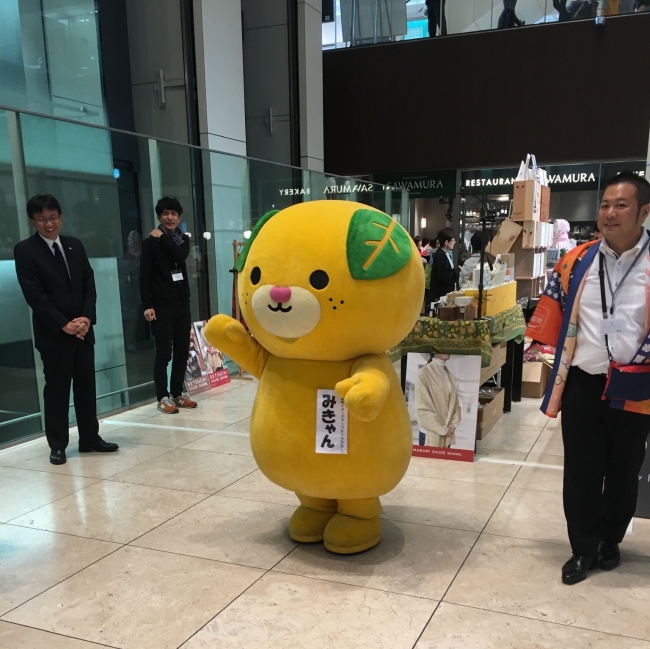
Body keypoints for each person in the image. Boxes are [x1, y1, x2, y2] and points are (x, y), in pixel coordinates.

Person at [526, 171, 650, 585]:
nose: (609, 213)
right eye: (605, 205)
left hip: (636, 385)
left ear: (644, 212)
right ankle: (582, 548)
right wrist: (540, 346)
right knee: (581, 469)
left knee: (624, 468)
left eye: (621, 205)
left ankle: (610, 541)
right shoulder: (577, 259)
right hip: (583, 380)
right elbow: (553, 308)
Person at [13, 194, 119, 465]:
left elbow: (88, 284)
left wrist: (85, 318)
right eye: (42, 219)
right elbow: (34, 295)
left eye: (53, 217)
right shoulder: (25, 250)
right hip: (54, 335)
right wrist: (64, 324)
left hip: (83, 332)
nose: (49, 223)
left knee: (86, 388)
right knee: (57, 391)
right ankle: (58, 445)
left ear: (61, 217)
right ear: (33, 221)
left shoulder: (74, 245)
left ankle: (90, 439)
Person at [140, 196, 198, 414]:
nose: (170, 217)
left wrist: (163, 238)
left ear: (179, 217)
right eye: (165, 214)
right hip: (160, 306)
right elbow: (143, 277)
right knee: (164, 353)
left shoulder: (181, 240)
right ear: (159, 216)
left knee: (183, 351)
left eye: (174, 214)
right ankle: (162, 397)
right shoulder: (149, 244)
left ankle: (177, 393)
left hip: (182, 303)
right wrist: (147, 305)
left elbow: (179, 254)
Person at [415, 354, 461, 448]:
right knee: (428, 463)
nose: (448, 350)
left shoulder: (449, 375)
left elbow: (455, 403)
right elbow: (422, 408)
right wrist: (443, 430)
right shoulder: (423, 373)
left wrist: (453, 423)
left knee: (444, 463)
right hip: (430, 434)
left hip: (447, 432)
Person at [430, 227, 460, 301]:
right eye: (453, 240)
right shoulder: (440, 255)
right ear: (446, 242)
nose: (455, 242)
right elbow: (445, 276)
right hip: (442, 294)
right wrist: (457, 270)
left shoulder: (446, 253)